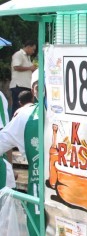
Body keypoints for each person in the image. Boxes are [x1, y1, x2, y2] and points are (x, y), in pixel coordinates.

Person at [0, 69, 40, 234]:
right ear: (33, 91)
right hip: (39, 199)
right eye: (39, 86)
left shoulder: (26, 115)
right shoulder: (26, 116)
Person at [9, 40, 37, 117]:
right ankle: (14, 125)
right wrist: (29, 68)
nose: (33, 51)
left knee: (26, 108)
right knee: (17, 107)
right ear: (28, 47)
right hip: (18, 86)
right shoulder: (18, 54)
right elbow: (16, 67)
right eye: (33, 49)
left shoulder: (28, 57)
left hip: (26, 86)